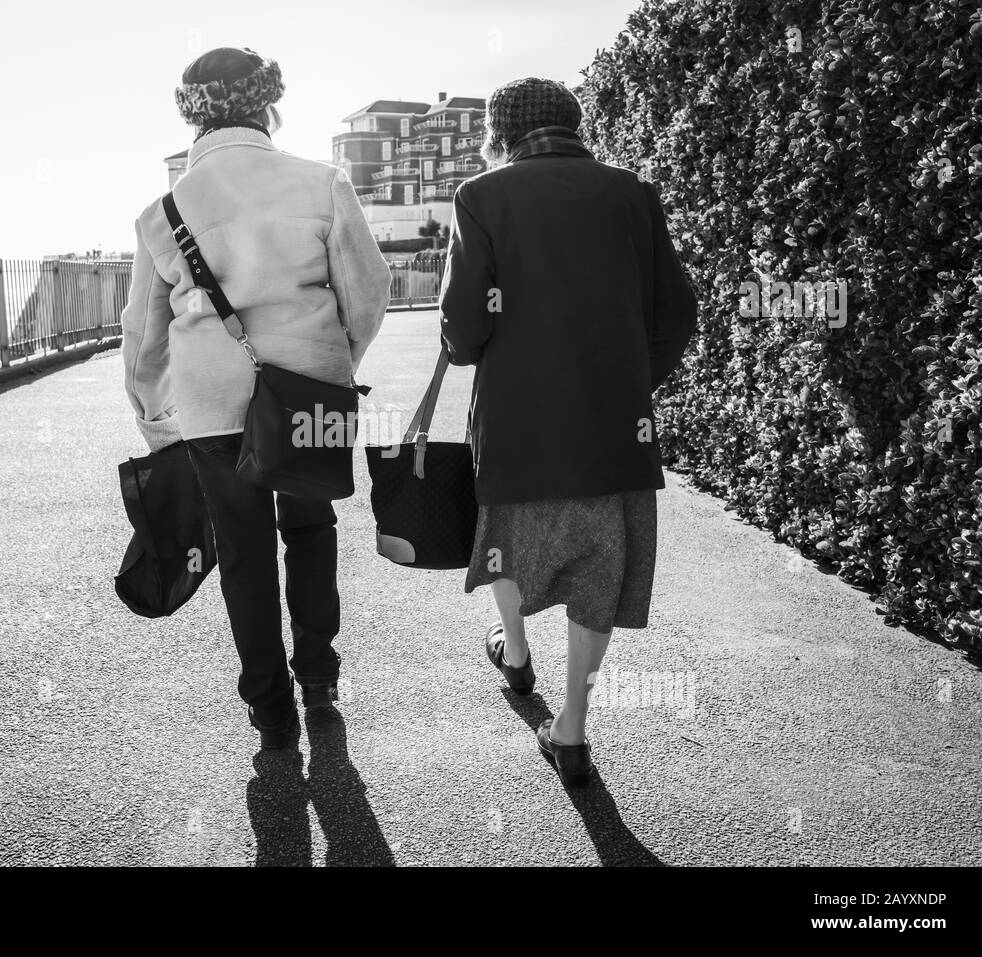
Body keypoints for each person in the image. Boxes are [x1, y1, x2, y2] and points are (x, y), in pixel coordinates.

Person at [120, 47, 392, 750]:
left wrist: (158, 423)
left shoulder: (164, 212)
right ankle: (319, 674)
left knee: (243, 551)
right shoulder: (321, 183)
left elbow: (145, 339)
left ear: (192, 117)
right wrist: (336, 361)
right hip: (309, 393)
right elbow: (368, 292)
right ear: (268, 105)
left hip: (211, 401)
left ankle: (269, 708)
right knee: (311, 530)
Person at [439, 77, 697, 786]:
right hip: (614, 422)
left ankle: (516, 655)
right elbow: (676, 310)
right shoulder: (631, 192)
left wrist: (469, 341)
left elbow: (464, 328)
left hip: (517, 421)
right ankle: (573, 730)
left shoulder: (482, 195)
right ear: (572, 122)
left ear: (500, 131)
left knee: (507, 545)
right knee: (599, 572)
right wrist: (631, 379)